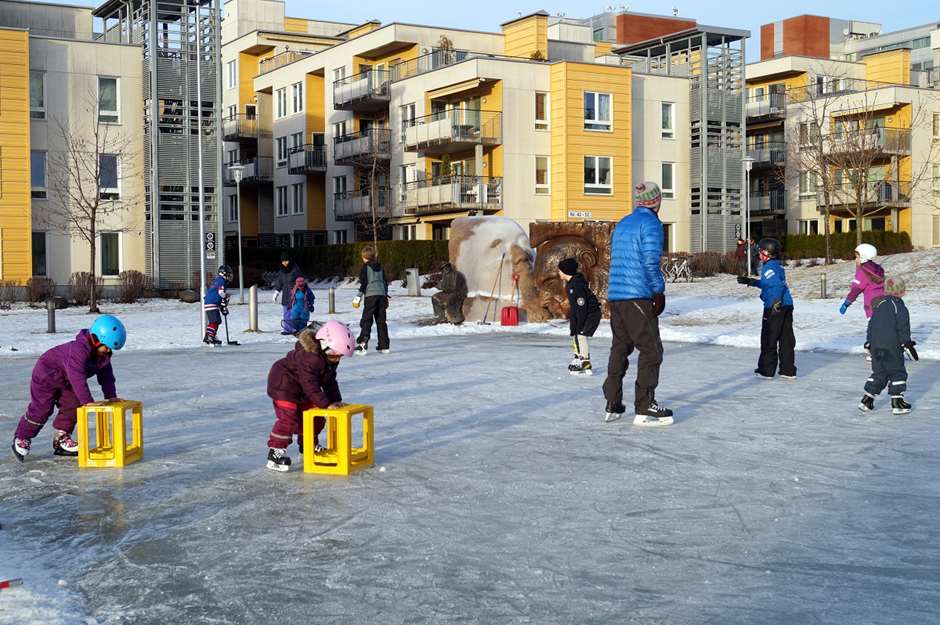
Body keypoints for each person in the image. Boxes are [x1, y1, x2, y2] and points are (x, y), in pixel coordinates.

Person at [603, 181, 674, 427]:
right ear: (656, 201)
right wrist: (658, 291)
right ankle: (644, 406)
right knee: (652, 350)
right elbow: (649, 262)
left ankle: (613, 402)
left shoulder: (623, 224)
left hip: (616, 297)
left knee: (620, 347)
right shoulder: (651, 224)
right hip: (637, 296)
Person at [11, 315, 127, 462]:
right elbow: (77, 377)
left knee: (73, 405)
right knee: (42, 409)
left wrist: (111, 396)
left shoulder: (102, 355)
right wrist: (88, 401)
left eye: (111, 349)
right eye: (106, 347)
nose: (108, 351)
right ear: (96, 339)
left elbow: (106, 375)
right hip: (46, 375)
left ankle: (61, 438)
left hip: (66, 381)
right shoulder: (78, 350)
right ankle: (22, 437)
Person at [265, 321, 354, 471]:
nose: (337, 359)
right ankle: (276, 452)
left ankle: (308, 447)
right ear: (325, 345)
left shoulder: (328, 358)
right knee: (288, 419)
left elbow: (329, 381)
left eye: (340, 356)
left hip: (302, 389)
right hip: (284, 385)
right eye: (335, 355)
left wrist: (335, 400)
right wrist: (326, 404)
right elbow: (310, 385)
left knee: (316, 417)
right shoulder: (310, 358)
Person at [737, 238, 796, 380]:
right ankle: (787, 370)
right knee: (785, 338)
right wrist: (751, 282)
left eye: (760, 252)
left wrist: (776, 303)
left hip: (775, 306)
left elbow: (776, 287)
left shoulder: (769, 267)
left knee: (769, 337)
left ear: (766, 253)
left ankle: (766, 370)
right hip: (787, 305)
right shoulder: (777, 265)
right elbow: (769, 283)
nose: (758, 255)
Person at [859, 279, 917, 415]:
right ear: (901, 291)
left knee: (880, 373)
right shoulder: (899, 307)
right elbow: (903, 328)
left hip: (876, 347)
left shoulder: (879, 305)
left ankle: (867, 400)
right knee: (897, 372)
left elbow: (871, 325)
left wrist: (869, 342)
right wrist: (907, 343)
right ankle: (897, 403)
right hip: (891, 347)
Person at [558, 257, 601, 376]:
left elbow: (581, 306)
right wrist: (574, 324)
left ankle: (585, 361)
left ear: (566, 271)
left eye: (560, 270)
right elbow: (576, 308)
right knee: (576, 334)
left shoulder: (576, 285)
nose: (559, 273)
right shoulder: (571, 284)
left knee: (581, 335)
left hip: (591, 314)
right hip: (584, 313)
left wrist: (579, 323)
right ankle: (578, 357)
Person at [354, 246, 390, 355]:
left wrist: (358, 297)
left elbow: (364, 283)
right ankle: (384, 346)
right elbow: (385, 282)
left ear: (364, 257)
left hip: (370, 297)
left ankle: (363, 344)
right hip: (381, 296)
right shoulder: (381, 267)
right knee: (381, 321)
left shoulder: (365, 267)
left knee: (366, 320)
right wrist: (385, 295)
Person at [273, 252, 303, 335]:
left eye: (286, 261)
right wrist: (276, 292)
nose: (285, 263)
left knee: (294, 312)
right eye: (283, 261)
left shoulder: (295, 269)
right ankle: (288, 329)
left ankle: (296, 328)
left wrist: (300, 291)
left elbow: (300, 281)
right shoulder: (282, 270)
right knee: (286, 312)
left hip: (294, 294)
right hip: (285, 295)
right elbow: (280, 282)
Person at [203, 264, 233, 346]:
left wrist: (222, 306)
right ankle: (209, 337)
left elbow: (218, 295)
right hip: (211, 303)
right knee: (214, 321)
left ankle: (211, 336)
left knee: (217, 321)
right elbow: (221, 293)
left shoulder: (218, 280)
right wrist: (225, 297)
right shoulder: (221, 281)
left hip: (212, 303)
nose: (230, 276)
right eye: (228, 274)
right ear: (223, 273)